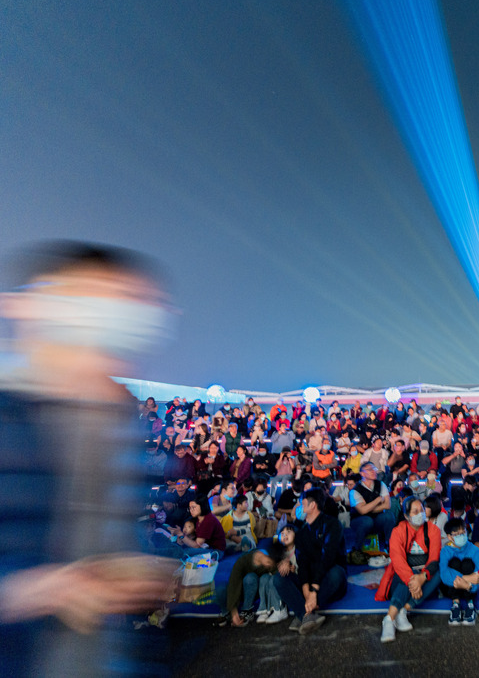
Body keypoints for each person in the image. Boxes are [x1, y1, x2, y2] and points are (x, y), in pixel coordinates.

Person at [0, 242, 177, 676]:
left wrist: (136, 571)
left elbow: (107, 544)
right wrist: (42, 589)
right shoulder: (12, 421)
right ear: (33, 314)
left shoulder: (117, 423)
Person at [273, 487, 347, 635]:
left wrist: (313, 591)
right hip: (310, 583)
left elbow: (328, 558)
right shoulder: (302, 532)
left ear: (312, 505)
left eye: (302, 503)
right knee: (279, 578)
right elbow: (303, 563)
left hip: (327, 581)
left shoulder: (332, 525)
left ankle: (302, 611)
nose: (299, 506)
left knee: (337, 573)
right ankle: (306, 615)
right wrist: (307, 591)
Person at [379, 497, 442, 642]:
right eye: (415, 511)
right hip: (402, 578)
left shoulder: (433, 530)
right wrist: (413, 580)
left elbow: (434, 559)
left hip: (425, 578)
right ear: (407, 516)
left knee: (440, 571)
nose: (420, 514)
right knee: (409, 573)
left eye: (422, 510)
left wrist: (422, 577)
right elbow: (398, 561)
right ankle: (389, 619)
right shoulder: (398, 531)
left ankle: (403, 610)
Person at [218, 542, 286, 627]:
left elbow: (278, 574)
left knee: (254, 577)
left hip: (254, 591)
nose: (268, 565)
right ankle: (227, 613)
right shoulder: (243, 560)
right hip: (240, 590)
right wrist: (233, 611)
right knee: (221, 589)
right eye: (268, 561)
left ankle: (247, 610)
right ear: (263, 554)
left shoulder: (269, 563)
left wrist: (285, 563)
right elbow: (233, 583)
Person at [439, 517, 479, 626]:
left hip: (470, 588)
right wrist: (466, 579)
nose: (461, 536)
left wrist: (469, 586)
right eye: (457, 534)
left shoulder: (473, 549)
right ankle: (456, 603)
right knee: (454, 562)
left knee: (467, 563)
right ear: (449, 537)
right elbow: (444, 574)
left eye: (463, 532)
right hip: (453, 586)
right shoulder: (445, 551)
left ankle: (470, 604)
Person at [349, 461, 396, 551]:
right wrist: (377, 500)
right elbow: (362, 511)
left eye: (374, 469)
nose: (373, 471)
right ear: (362, 473)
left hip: (376, 518)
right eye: (370, 469)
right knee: (367, 520)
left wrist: (367, 508)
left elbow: (387, 505)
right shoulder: (355, 491)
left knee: (389, 516)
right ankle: (357, 549)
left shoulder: (380, 484)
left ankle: (389, 546)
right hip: (359, 520)